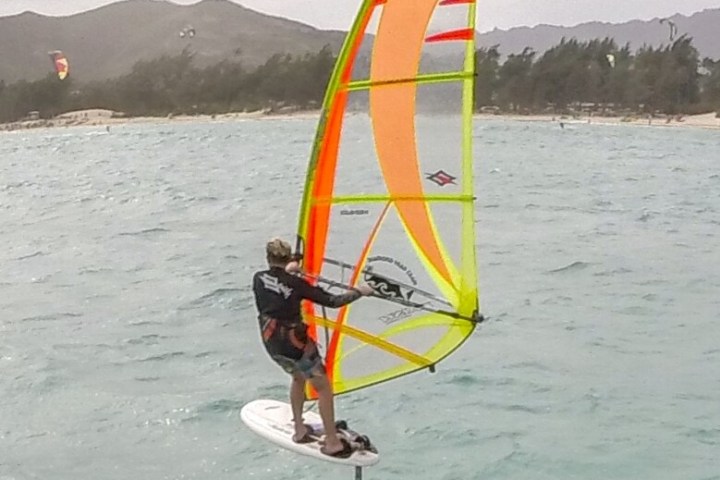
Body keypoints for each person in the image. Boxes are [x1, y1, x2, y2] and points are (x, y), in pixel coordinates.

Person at [252, 237, 374, 457]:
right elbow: (333, 301)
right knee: (324, 387)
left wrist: (289, 271)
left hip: (272, 344)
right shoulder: (296, 284)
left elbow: (278, 282)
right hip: (295, 344)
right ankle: (332, 441)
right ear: (288, 258)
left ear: (267, 258)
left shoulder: (258, 279)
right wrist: (359, 292)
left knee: (298, 378)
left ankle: (299, 429)